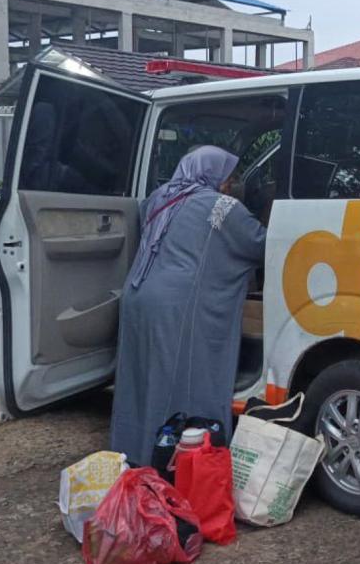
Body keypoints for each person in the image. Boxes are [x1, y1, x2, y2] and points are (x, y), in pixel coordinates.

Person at [110, 145, 267, 466]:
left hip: (138, 297)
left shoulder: (157, 199)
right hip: (177, 305)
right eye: (228, 176)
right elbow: (259, 243)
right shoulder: (221, 206)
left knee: (144, 379)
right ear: (212, 175)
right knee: (179, 381)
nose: (231, 183)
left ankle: (135, 451)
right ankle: (173, 456)